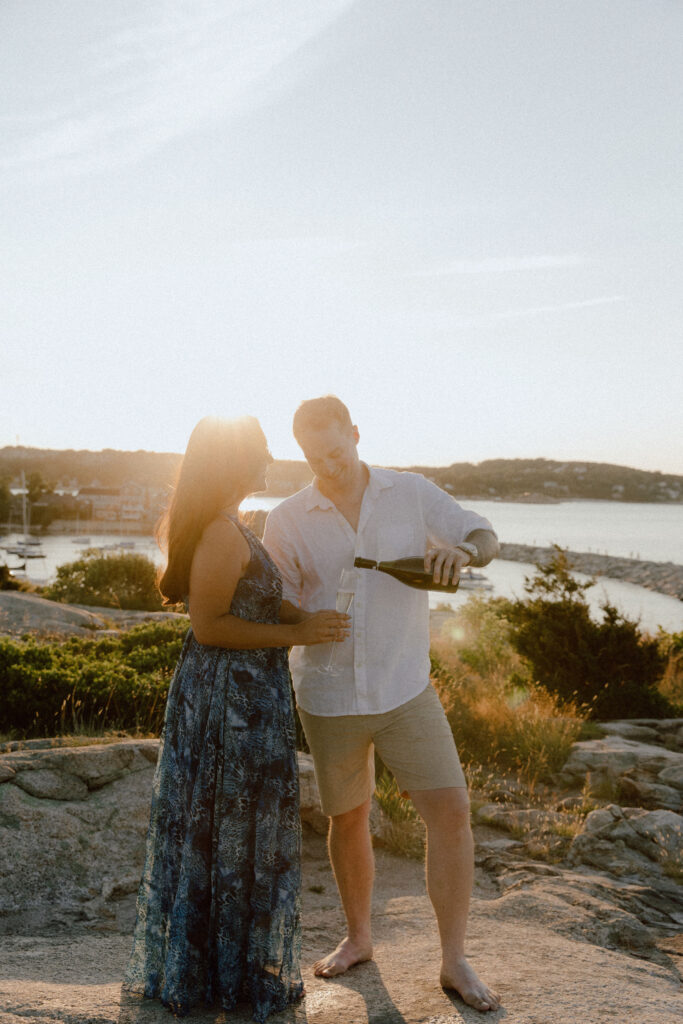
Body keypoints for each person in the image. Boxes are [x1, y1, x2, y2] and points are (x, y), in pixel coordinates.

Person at [263, 396, 502, 1013]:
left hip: (405, 689)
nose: (329, 464)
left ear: (356, 434)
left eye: (337, 450)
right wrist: (303, 619)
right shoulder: (287, 518)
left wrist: (465, 554)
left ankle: (453, 960)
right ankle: (360, 938)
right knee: (349, 819)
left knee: (450, 811)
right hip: (328, 693)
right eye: (315, 457)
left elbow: (484, 533)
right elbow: (279, 601)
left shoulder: (411, 492)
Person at [123, 415, 349, 1023]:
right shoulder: (224, 533)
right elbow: (210, 625)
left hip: (247, 696)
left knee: (235, 830)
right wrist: (295, 632)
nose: (271, 458)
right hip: (228, 701)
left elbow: (256, 595)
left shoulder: (236, 526)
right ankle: (218, 971)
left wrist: (309, 618)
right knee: (227, 829)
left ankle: (227, 963)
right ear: (233, 462)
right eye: (261, 450)